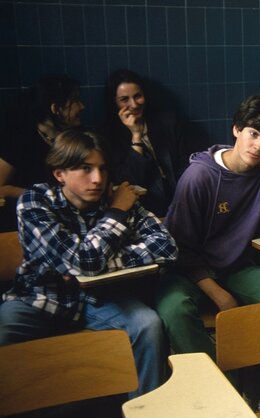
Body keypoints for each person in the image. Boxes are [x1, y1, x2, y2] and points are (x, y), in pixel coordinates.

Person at [155, 96, 260, 412]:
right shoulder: (199, 176)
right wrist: (217, 293)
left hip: (235, 267)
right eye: (253, 134)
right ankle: (220, 396)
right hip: (186, 271)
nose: (258, 146)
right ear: (236, 129)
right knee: (173, 310)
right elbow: (179, 248)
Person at [0, 130, 176, 397]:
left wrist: (101, 262)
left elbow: (166, 247)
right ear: (60, 174)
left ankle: (146, 409)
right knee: (3, 335)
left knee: (147, 324)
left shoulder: (118, 195)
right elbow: (85, 262)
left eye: (102, 169)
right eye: (85, 169)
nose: (98, 179)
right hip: (40, 298)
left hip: (99, 299)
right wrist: (115, 214)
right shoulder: (35, 202)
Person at [0, 75, 84, 231]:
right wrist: (46, 195)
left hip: (70, 217)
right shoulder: (19, 140)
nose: (82, 107)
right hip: (31, 220)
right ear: (56, 109)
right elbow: (1, 187)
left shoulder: (76, 136)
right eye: (75, 102)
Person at [101, 69, 189, 217]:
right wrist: (136, 137)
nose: (134, 104)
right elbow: (128, 183)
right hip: (143, 210)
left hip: (179, 200)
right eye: (124, 99)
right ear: (114, 102)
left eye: (138, 96)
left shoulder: (168, 122)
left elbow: (185, 164)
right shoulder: (109, 136)